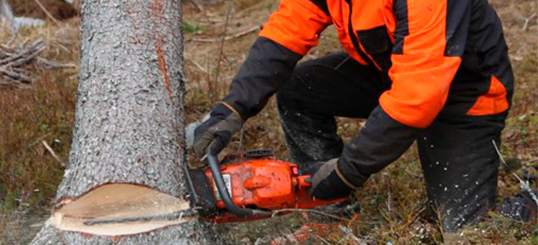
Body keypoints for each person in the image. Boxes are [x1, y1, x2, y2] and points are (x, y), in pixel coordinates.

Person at [192, 0, 536, 232]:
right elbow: (284, 34)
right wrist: (232, 109)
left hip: (464, 95)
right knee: (299, 89)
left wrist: (346, 171)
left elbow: (417, 99)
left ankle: (531, 201)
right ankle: (330, 211)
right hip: (394, 70)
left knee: (466, 231)